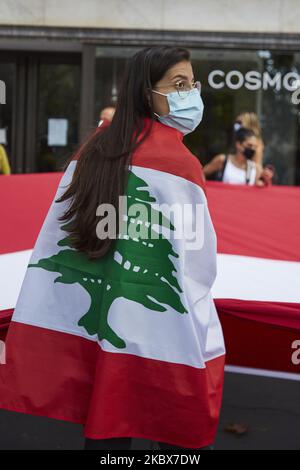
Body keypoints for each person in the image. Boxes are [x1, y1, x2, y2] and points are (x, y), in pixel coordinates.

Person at [0, 46, 225, 451]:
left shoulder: (90, 153)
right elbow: (196, 265)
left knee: (107, 426)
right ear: (145, 92)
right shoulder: (179, 163)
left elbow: (57, 238)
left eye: (192, 83)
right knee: (171, 426)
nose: (191, 93)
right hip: (156, 328)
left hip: (101, 324)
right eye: (178, 84)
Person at [234, 112, 274, 185]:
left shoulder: (257, 142)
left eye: (240, 123)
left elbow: (257, 164)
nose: (237, 126)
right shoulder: (243, 138)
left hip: (250, 178)